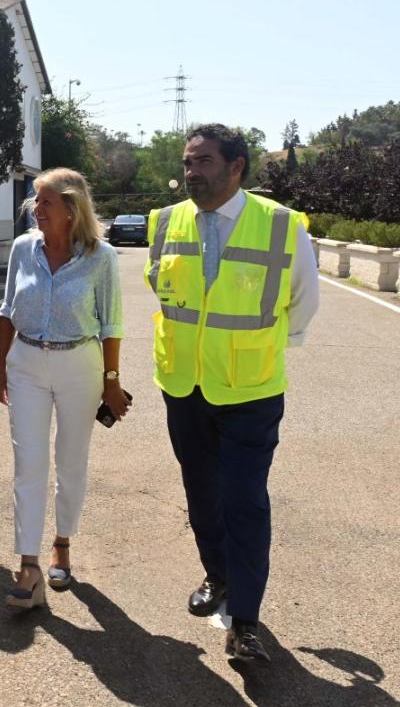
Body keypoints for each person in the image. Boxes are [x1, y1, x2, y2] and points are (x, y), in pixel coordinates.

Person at [146, 124, 318, 663]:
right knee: (203, 495)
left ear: (236, 166)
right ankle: (217, 576)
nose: (190, 171)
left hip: (250, 391)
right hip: (184, 386)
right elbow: (163, 289)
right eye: (188, 161)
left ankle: (244, 622)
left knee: (245, 502)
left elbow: (302, 304)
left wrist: (255, 350)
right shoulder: (167, 221)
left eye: (202, 161)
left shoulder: (282, 227)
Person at [0, 168, 127, 611]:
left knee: (71, 461)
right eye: (35, 201)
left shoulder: (100, 256)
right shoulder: (22, 248)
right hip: (27, 363)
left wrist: (112, 381)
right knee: (28, 464)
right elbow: (8, 309)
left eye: (44, 201)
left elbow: (111, 325)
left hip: (79, 366)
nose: (36, 209)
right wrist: (0, 365)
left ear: (71, 208)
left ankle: (62, 542)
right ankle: (28, 566)